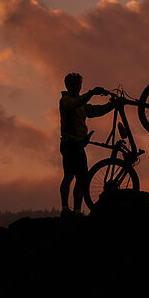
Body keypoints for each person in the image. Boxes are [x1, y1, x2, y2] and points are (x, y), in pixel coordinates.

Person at [59, 72, 114, 215]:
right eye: (73, 85)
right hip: (69, 144)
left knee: (81, 179)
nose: (76, 87)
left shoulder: (82, 104)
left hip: (79, 146)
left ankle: (77, 210)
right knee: (69, 176)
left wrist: (112, 105)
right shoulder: (65, 101)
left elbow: (96, 110)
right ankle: (65, 209)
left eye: (78, 85)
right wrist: (92, 93)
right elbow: (75, 103)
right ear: (67, 86)